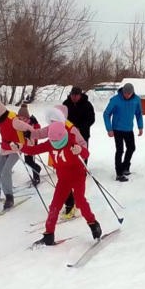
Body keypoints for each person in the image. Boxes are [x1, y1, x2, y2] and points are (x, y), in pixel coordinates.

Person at [14, 121, 101, 246]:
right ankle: (49, 234)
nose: (55, 144)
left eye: (57, 142)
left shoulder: (71, 143)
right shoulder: (51, 143)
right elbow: (34, 150)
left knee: (80, 201)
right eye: (52, 141)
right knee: (55, 205)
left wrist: (80, 150)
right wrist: (20, 146)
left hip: (77, 176)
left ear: (63, 136)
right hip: (63, 179)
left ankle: (93, 224)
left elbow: (86, 154)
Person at [0, 100, 27, 208]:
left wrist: (29, 133)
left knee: (5, 171)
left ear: (0, 112)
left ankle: (9, 197)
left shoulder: (13, 119)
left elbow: (28, 128)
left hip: (16, 148)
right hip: (5, 147)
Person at [62, 86, 96, 215]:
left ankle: (82, 169)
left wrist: (80, 127)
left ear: (80, 95)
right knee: (70, 153)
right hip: (68, 135)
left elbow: (91, 119)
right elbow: (62, 118)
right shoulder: (66, 104)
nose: (74, 97)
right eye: (72, 95)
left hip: (83, 133)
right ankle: (71, 168)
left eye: (76, 95)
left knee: (83, 152)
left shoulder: (87, 105)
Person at [102, 82, 143, 181]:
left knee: (131, 148)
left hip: (129, 129)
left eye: (129, 94)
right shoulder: (115, 100)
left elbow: (138, 113)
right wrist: (109, 129)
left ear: (132, 93)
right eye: (125, 93)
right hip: (117, 129)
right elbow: (106, 114)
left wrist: (140, 126)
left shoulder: (136, 100)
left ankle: (125, 167)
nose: (127, 95)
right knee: (120, 150)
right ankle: (119, 173)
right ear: (123, 92)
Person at [17, 104, 43, 186]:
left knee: (29, 161)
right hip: (25, 145)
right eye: (20, 118)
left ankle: (36, 176)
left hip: (32, 144)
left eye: (24, 118)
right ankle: (37, 170)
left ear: (28, 118)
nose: (22, 120)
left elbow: (38, 130)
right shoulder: (20, 124)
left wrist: (31, 133)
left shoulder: (32, 123)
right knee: (29, 161)